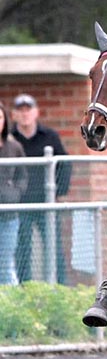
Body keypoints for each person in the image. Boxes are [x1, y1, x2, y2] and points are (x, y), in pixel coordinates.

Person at [12, 93, 70, 283]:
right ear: (14, 115)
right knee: (22, 250)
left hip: (47, 202)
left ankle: (61, 289)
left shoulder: (50, 136)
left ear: (36, 112)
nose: (24, 114)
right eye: (20, 111)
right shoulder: (9, 140)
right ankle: (25, 291)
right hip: (20, 205)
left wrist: (59, 192)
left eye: (28, 110)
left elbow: (65, 163)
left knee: (54, 248)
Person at [0, 101, 27, 284]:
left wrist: (14, 193)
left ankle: (10, 303)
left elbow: (22, 176)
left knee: (5, 262)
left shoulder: (14, 146)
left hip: (9, 215)